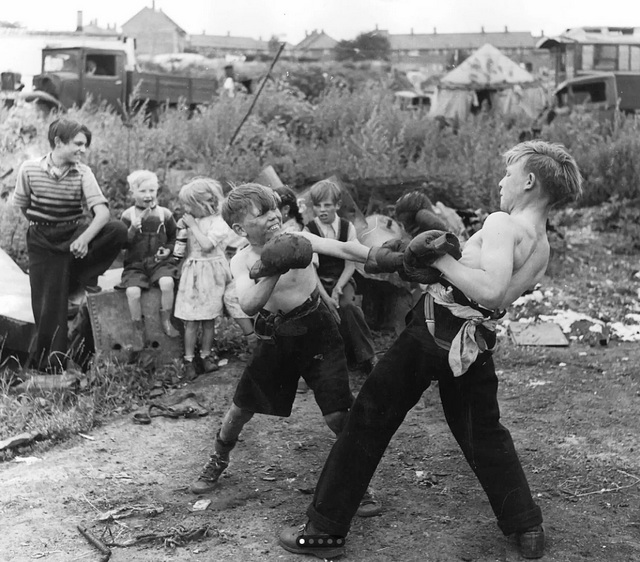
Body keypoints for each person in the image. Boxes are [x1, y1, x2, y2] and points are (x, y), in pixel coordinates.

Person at [279, 140, 583, 560]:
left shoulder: (501, 223)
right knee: (483, 432)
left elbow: (492, 292)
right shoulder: (541, 244)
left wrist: (439, 261)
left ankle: (323, 529)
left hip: (433, 330)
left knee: (368, 418)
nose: (501, 182)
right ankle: (526, 526)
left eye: (508, 174)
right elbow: (493, 299)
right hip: (472, 341)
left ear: (529, 182)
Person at [188, 183, 382, 520]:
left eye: (274, 208)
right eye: (261, 214)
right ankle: (218, 457)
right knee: (240, 410)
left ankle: (357, 480)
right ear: (238, 229)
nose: (273, 216)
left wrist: (387, 257)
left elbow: (343, 247)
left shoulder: (298, 238)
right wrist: (274, 266)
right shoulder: (242, 260)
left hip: (317, 329)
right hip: (275, 336)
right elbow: (248, 303)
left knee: (338, 414)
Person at [12, 118, 127, 373]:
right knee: (50, 308)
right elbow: (22, 207)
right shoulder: (29, 169)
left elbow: (102, 214)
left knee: (117, 231)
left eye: (85, 145)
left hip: (73, 236)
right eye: (78, 144)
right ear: (58, 142)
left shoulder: (83, 172)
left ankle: (80, 278)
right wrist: (43, 228)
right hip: (42, 242)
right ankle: (51, 367)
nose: (82, 150)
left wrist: (84, 239)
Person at [173, 178, 254, 381]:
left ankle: (206, 355)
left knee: (209, 319)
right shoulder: (194, 221)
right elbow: (183, 245)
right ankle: (189, 359)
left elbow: (207, 244)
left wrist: (192, 225)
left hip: (212, 272)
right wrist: (184, 227)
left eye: (190, 205)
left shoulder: (219, 222)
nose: (187, 209)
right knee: (191, 320)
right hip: (193, 273)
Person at [305, 179, 377, 374]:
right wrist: (326, 297)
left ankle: (367, 355)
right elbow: (311, 270)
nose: (322, 210)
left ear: (337, 205)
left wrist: (338, 287)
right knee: (318, 312)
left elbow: (350, 263)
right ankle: (321, 362)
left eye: (327, 205)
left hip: (343, 278)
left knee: (348, 307)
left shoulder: (347, 228)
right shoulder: (309, 230)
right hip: (317, 282)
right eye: (317, 206)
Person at [118, 170, 180, 340]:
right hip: (136, 265)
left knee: (167, 283)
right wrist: (131, 230)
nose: (148, 195)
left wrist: (168, 249)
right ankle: (138, 328)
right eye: (142, 191)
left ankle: (166, 321)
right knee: (132, 292)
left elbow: (174, 237)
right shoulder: (127, 215)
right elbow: (122, 244)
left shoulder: (164, 214)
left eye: (151, 191)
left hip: (159, 263)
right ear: (132, 193)